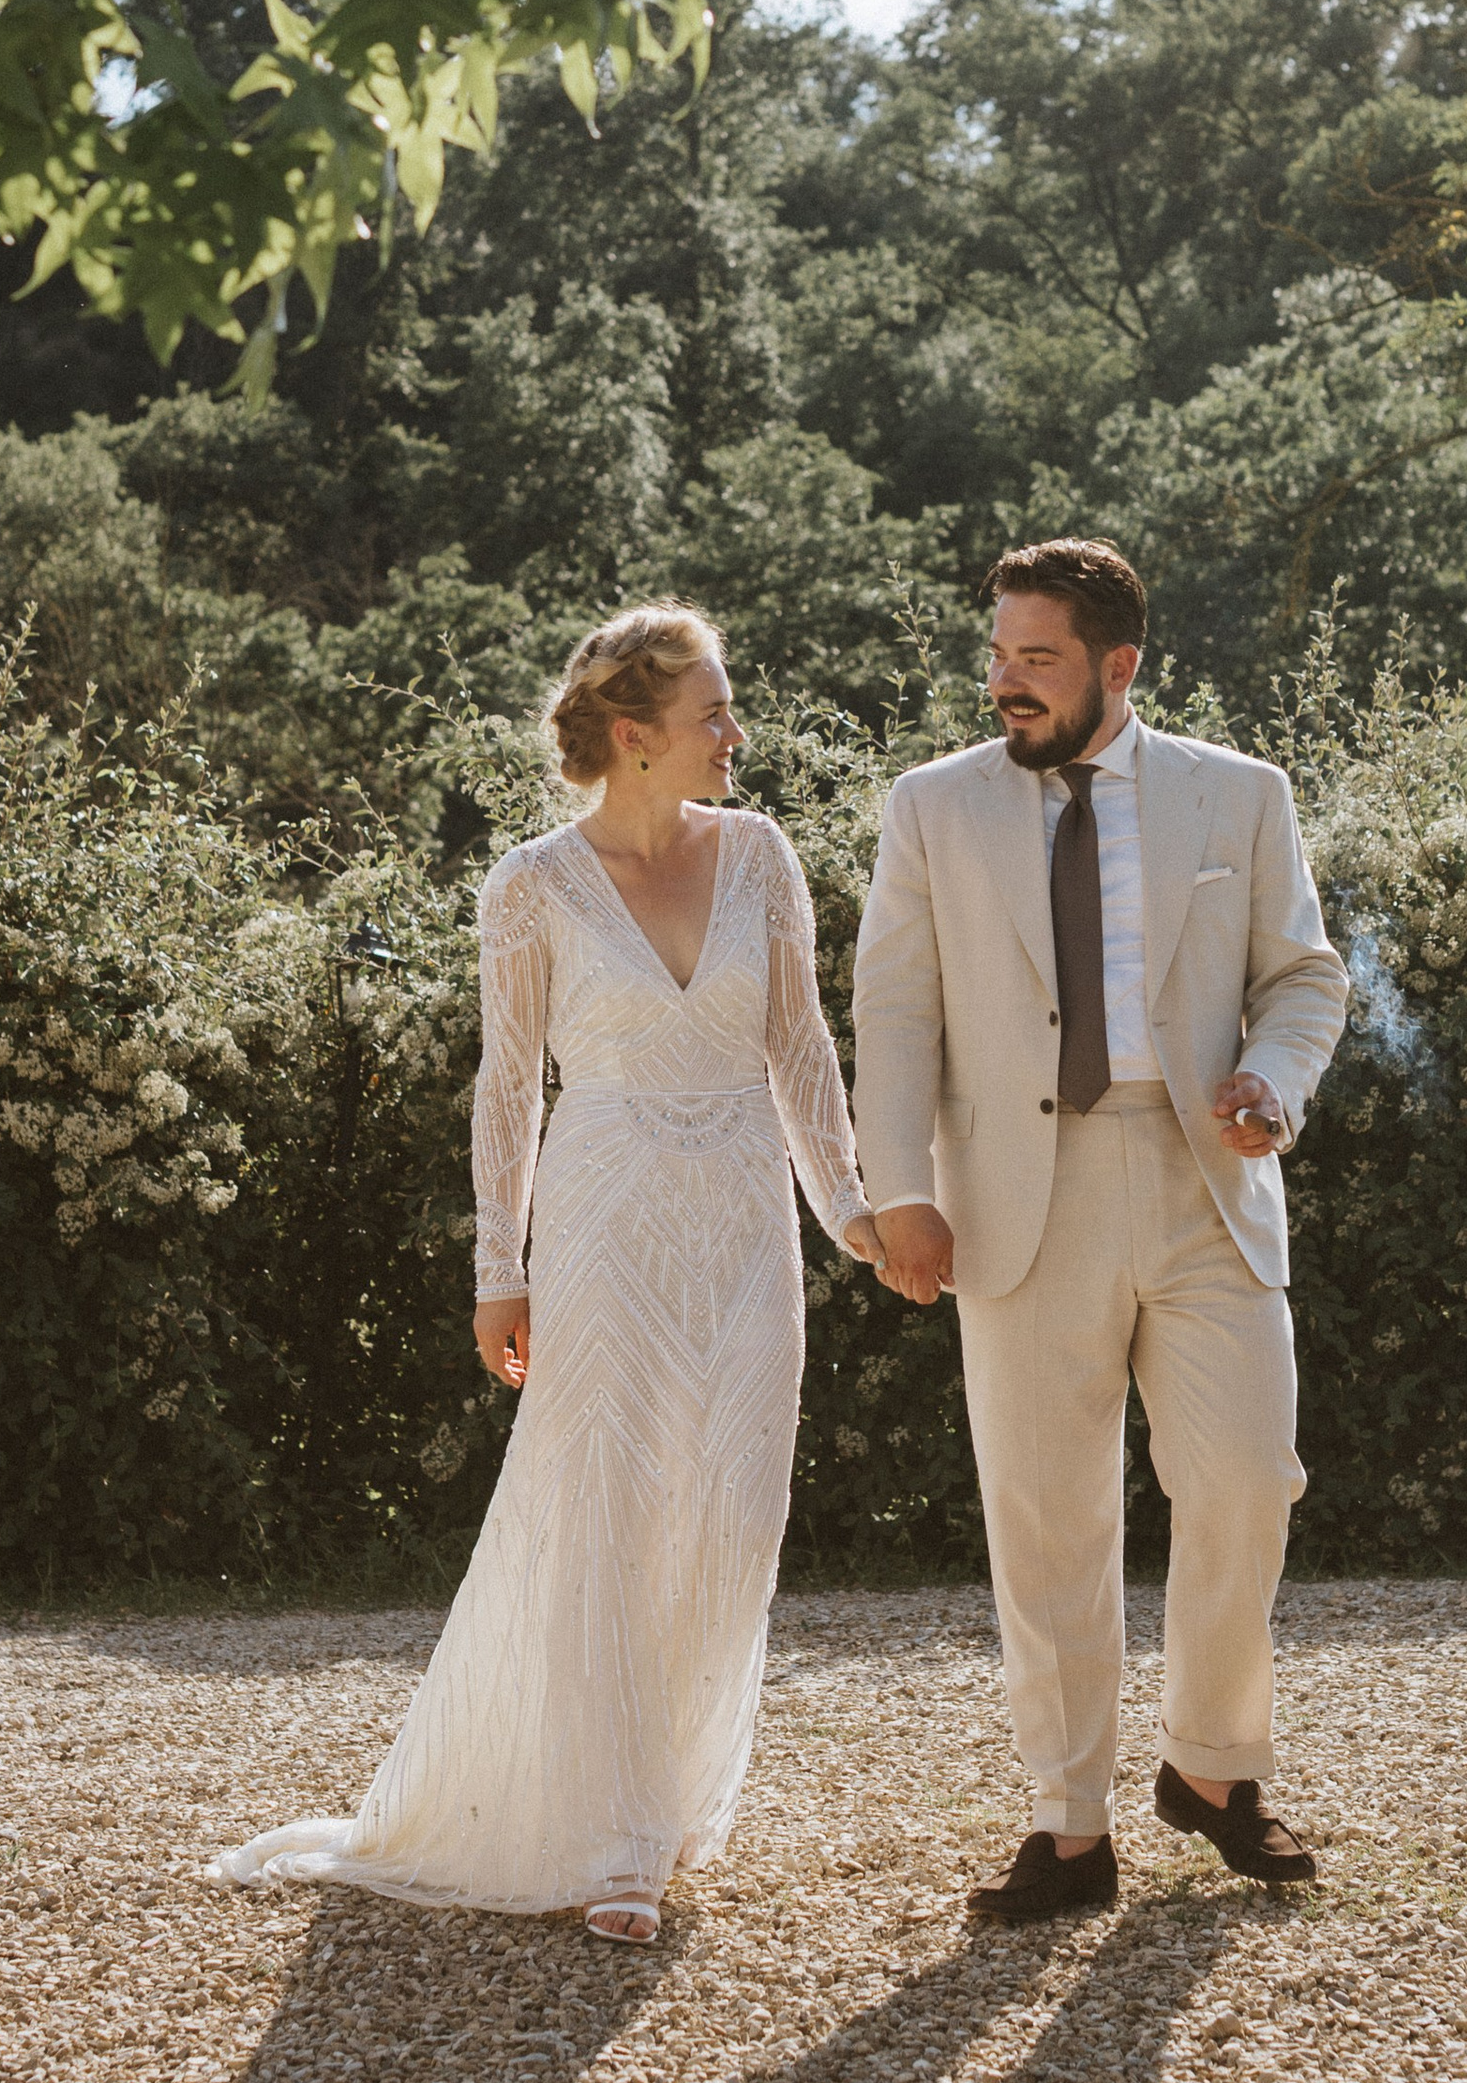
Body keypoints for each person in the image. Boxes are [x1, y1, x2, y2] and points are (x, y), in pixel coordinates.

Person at [216, 604, 881, 1946]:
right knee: (617, 1504)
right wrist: (496, 1266)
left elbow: (802, 1051)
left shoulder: (762, 856)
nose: (735, 735)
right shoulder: (529, 884)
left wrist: (854, 1216)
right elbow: (509, 1087)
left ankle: (676, 1791)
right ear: (634, 738)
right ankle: (625, 1834)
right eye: (714, 715)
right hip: (606, 1216)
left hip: (747, 1215)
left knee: (731, 1505)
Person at [851, 539, 1348, 1923]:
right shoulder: (931, 808)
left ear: (1119, 667)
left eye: (1039, 660)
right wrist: (900, 1189)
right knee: (1049, 1521)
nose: (1007, 683)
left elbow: (1305, 978)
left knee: (1250, 1478)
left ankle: (1214, 1767)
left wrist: (1275, 1082)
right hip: (1017, 1197)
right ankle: (1067, 1827)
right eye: (999, 655)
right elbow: (893, 1012)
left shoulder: (1239, 796)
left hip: (1206, 1185)